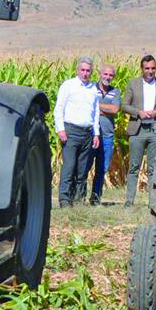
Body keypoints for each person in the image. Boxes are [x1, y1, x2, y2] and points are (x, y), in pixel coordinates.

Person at [122, 54, 156, 206]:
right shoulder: (132, 84)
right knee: (134, 166)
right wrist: (138, 112)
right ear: (142, 69)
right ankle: (129, 200)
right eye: (147, 68)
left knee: (153, 167)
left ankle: (152, 202)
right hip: (138, 129)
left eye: (153, 68)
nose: (150, 71)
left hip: (155, 130)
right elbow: (124, 105)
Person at [53, 57, 100, 208]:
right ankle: (65, 200)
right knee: (69, 167)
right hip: (71, 131)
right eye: (83, 70)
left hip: (87, 133)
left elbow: (96, 112)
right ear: (77, 70)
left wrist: (96, 133)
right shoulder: (68, 85)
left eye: (88, 71)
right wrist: (60, 129)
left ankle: (79, 199)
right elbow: (59, 107)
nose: (85, 73)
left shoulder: (93, 88)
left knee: (82, 169)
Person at [87, 64, 120, 205]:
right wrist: (102, 108)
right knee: (85, 166)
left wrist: (96, 106)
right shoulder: (90, 89)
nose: (108, 77)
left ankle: (95, 198)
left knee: (102, 168)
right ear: (100, 74)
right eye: (105, 74)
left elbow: (115, 109)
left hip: (107, 135)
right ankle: (79, 196)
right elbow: (87, 106)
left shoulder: (115, 91)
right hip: (90, 135)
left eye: (111, 75)